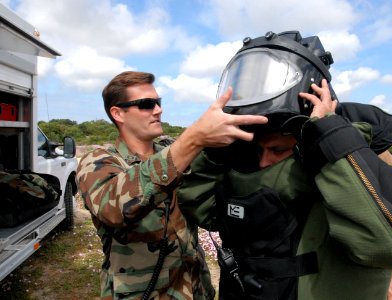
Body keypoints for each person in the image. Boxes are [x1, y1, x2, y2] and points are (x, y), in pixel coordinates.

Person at [176, 31, 392, 299]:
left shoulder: (356, 154)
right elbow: (205, 211)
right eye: (259, 149)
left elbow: (384, 244)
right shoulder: (245, 162)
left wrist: (331, 137)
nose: (264, 161)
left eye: (277, 150)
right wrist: (214, 151)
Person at [76, 71, 268, 300]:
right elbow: (113, 209)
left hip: (196, 290)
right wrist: (193, 139)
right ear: (118, 113)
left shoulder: (174, 152)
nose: (158, 110)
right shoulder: (99, 161)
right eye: (146, 104)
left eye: (158, 102)